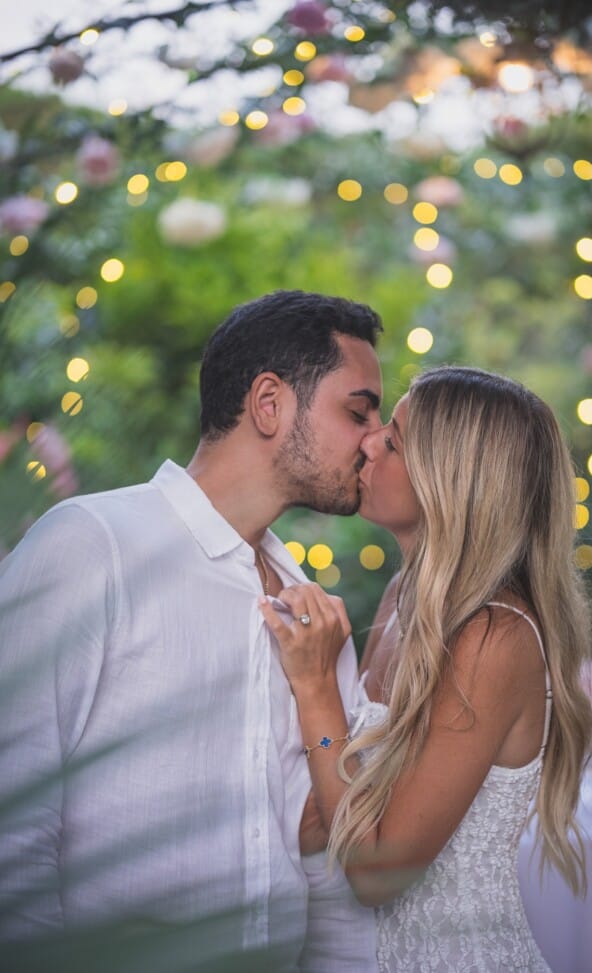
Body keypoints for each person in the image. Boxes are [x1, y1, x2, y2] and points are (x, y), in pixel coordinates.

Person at [0, 290, 383, 971]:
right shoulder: (93, 546)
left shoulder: (311, 610)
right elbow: (13, 832)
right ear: (270, 404)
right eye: (358, 410)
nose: (376, 437)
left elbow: (319, 858)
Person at [260, 365, 592, 972]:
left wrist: (315, 687)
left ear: (452, 480)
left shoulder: (491, 636)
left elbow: (381, 872)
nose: (366, 442)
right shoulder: (400, 599)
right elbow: (350, 802)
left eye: (391, 440)